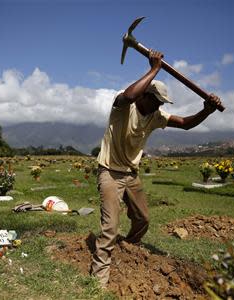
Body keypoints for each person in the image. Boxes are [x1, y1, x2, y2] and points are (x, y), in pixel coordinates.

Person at [90, 49, 222, 287]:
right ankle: (98, 280)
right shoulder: (123, 106)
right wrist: (154, 69)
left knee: (143, 219)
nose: (158, 107)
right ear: (145, 95)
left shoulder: (155, 116)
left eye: (161, 104)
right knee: (110, 227)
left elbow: (184, 124)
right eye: (156, 101)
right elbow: (129, 96)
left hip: (130, 174)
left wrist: (207, 110)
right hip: (109, 171)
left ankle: (128, 247)